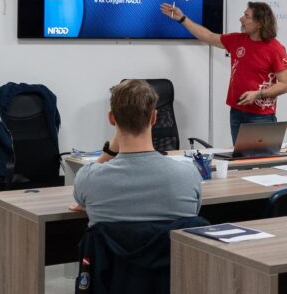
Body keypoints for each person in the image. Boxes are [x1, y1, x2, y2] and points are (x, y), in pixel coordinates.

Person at [72, 79, 202, 225]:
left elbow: (82, 200)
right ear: (154, 118)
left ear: (112, 118)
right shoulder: (189, 175)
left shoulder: (89, 179)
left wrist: (109, 151)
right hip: (169, 249)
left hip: (113, 248)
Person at [160, 0, 287, 142]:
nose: (241, 19)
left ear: (259, 23)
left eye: (246, 16)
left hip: (260, 115)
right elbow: (208, 36)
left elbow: (285, 84)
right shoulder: (237, 40)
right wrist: (182, 18)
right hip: (237, 111)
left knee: (262, 160)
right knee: (240, 158)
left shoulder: (275, 48)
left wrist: (258, 94)